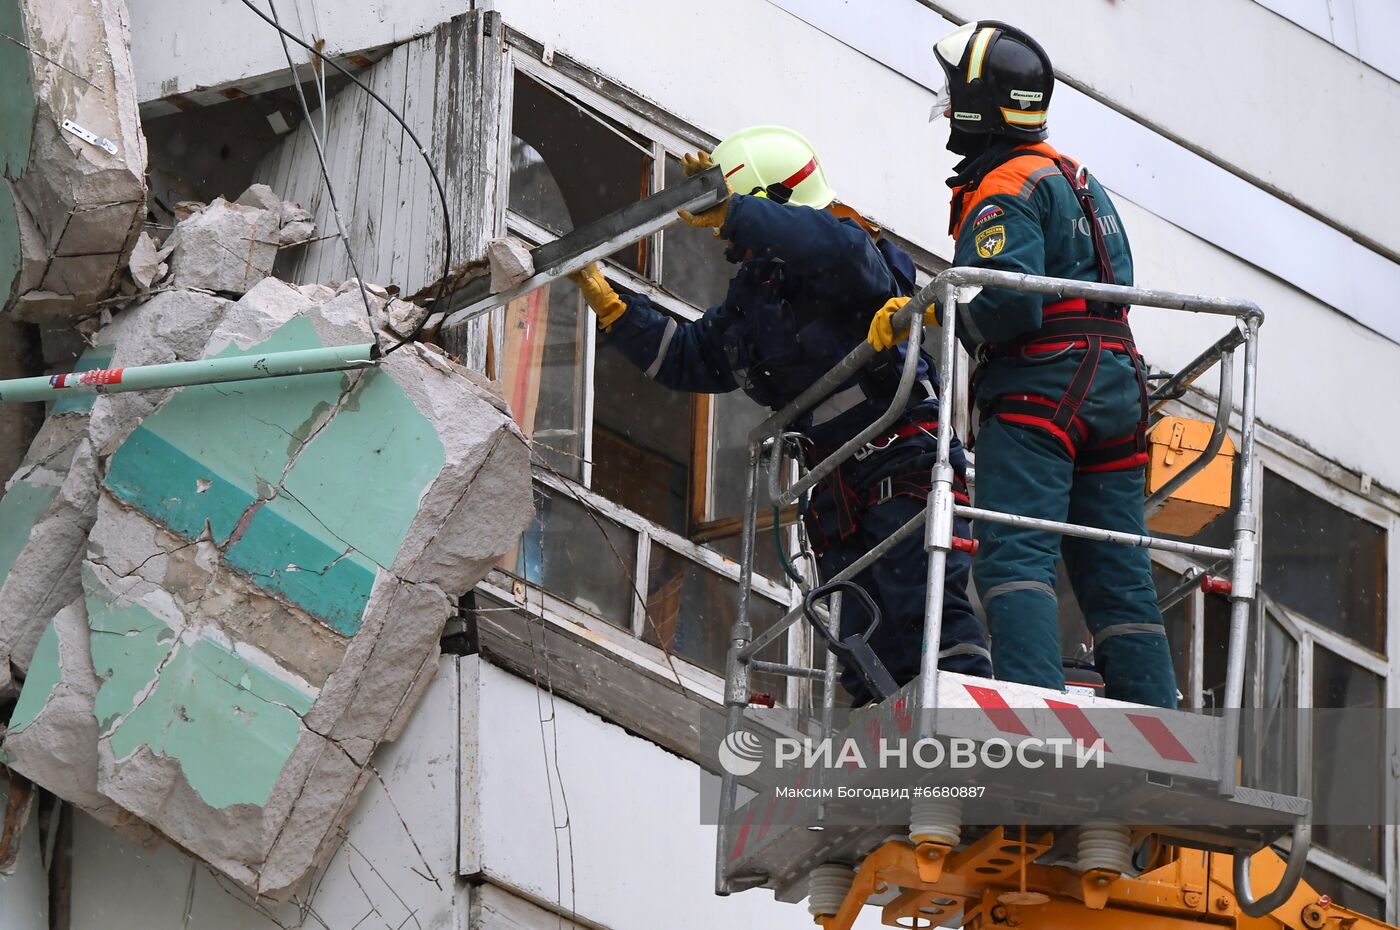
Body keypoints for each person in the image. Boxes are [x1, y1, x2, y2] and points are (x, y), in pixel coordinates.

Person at [569, 125, 992, 706]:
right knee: (862, 638)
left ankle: (961, 724)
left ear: (774, 201)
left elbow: (833, 250)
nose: (730, 246)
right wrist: (617, 310)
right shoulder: (757, 299)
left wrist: (734, 212)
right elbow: (693, 356)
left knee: (924, 613)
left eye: (736, 224)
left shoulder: (849, 248)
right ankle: (886, 752)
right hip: (839, 490)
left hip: (903, 463)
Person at [876, 22, 1176, 707]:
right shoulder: (1080, 181)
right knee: (1116, 569)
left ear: (981, 104)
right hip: (1116, 386)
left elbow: (1011, 303)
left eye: (956, 96)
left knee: (1016, 557)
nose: (949, 109)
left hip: (1042, 386)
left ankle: (1035, 716)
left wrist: (936, 313)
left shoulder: (1004, 186)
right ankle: (1156, 711)